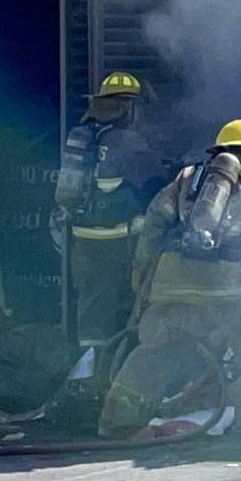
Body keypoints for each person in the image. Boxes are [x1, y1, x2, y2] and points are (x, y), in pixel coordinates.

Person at [98, 119, 241, 449]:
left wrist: (141, 277)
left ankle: (117, 421)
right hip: (226, 289)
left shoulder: (185, 180)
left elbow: (153, 227)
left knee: (156, 351)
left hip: (171, 286)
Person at [54, 71, 165, 351]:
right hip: (116, 246)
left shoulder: (83, 137)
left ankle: (86, 374)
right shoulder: (128, 141)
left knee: (92, 313)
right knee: (125, 309)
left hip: (81, 241)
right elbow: (157, 186)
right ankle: (113, 374)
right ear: (128, 107)